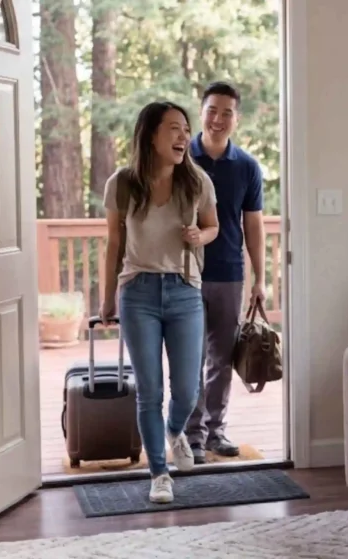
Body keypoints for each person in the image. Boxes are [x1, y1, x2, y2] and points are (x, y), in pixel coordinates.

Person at [100, 101, 219, 504]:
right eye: (174, 128)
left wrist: (201, 237)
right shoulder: (121, 183)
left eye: (186, 129)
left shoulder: (197, 180)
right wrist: (106, 298)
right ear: (151, 134)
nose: (184, 136)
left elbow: (213, 225)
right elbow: (114, 244)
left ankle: (174, 430)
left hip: (185, 289)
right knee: (148, 389)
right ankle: (158, 472)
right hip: (138, 292)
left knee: (187, 389)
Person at [184, 82, 266, 463]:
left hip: (229, 274)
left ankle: (216, 432)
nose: (218, 119)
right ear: (201, 112)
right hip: (184, 273)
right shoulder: (180, 157)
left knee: (221, 358)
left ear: (237, 118)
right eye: (212, 110)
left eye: (226, 112)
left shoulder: (247, 167)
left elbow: (254, 226)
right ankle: (191, 435)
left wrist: (259, 279)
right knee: (190, 356)